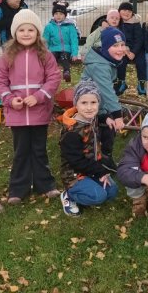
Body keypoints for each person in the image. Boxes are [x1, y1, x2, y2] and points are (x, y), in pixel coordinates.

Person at [0, 9, 62, 204]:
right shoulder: (7, 56)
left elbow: (54, 78)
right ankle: (18, 189)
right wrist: (9, 99)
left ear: (37, 32)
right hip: (17, 114)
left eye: (30, 30)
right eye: (21, 30)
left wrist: (39, 96)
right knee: (21, 151)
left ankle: (45, 185)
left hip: (39, 112)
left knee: (39, 150)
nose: (26, 33)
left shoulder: (46, 55)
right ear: (15, 33)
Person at [58, 80, 119, 217]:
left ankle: (90, 186)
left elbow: (99, 117)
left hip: (91, 169)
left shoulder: (91, 118)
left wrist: (106, 118)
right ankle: (69, 195)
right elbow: (76, 161)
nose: (89, 107)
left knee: (112, 191)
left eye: (93, 102)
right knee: (99, 196)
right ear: (76, 104)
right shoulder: (72, 132)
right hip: (75, 174)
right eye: (84, 103)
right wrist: (100, 171)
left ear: (98, 103)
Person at [81, 27, 128, 170]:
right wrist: (117, 115)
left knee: (109, 121)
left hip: (97, 101)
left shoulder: (105, 59)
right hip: (87, 104)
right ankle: (100, 158)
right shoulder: (99, 66)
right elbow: (106, 91)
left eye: (122, 45)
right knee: (108, 124)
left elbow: (104, 91)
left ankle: (104, 155)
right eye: (115, 46)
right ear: (106, 47)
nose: (120, 49)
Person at [43, 0, 79, 83]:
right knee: (51, 58)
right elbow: (45, 40)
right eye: (56, 13)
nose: (58, 16)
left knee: (64, 57)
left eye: (61, 14)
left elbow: (74, 40)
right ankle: (50, 74)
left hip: (66, 49)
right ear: (53, 15)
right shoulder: (49, 26)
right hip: (53, 49)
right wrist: (45, 51)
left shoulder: (70, 26)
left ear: (65, 15)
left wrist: (74, 53)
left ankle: (66, 72)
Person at [116, 1, 146, 96]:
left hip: (136, 48)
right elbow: (116, 38)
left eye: (129, 11)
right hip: (123, 48)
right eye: (124, 10)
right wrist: (124, 49)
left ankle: (141, 83)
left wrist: (133, 52)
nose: (127, 13)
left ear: (132, 13)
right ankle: (121, 82)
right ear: (119, 11)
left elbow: (139, 39)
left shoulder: (135, 23)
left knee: (141, 62)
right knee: (120, 61)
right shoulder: (117, 23)